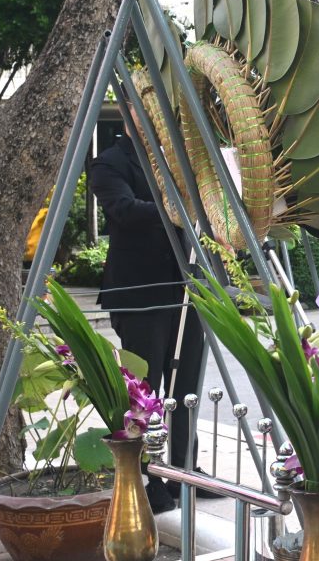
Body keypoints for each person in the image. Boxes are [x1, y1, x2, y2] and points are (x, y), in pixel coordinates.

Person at [90, 131, 222, 512]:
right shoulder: (110, 161)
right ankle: (149, 477)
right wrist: (178, 207)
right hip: (142, 294)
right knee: (147, 390)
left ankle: (185, 470)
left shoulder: (179, 156)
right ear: (131, 110)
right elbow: (124, 211)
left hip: (187, 290)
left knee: (186, 386)